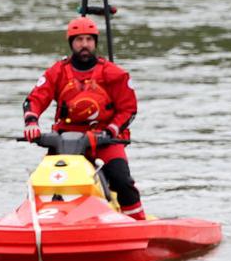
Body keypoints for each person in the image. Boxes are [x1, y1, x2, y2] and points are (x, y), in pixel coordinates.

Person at [22, 16, 147, 219]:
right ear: (71, 43)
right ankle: (37, 219)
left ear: (95, 42)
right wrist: (31, 123)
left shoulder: (113, 73)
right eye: (79, 40)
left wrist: (109, 132)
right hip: (65, 141)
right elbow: (35, 99)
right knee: (45, 180)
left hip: (103, 139)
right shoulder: (58, 72)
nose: (84, 45)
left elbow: (128, 109)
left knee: (121, 179)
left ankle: (138, 221)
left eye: (89, 39)